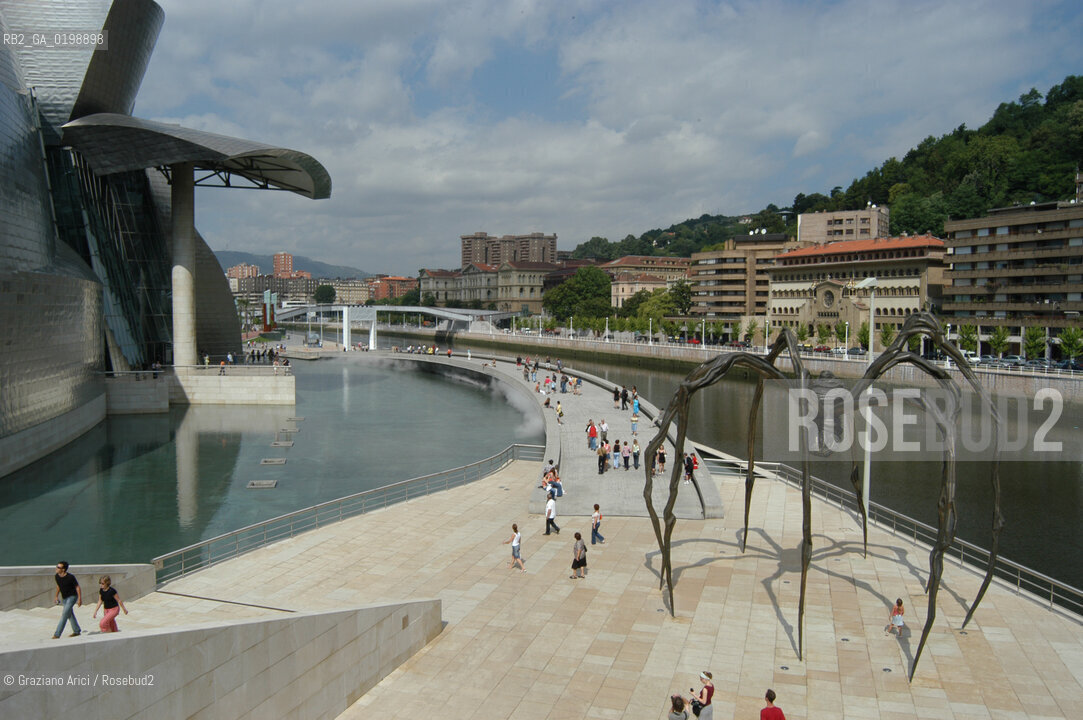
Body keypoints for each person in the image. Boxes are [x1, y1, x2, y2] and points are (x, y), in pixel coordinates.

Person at [53, 561, 82, 638]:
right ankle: (77, 631)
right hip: (64, 598)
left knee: (64, 614)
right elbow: (58, 586)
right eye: (57, 566)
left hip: (72, 597)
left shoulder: (70, 577)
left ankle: (57, 634)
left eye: (58, 567)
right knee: (69, 614)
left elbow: (77, 587)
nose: (56, 568)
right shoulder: (57, 576)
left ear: (63, 569)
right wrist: (56, 596)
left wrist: (79, 599)